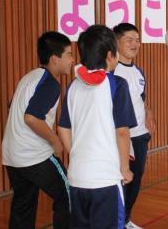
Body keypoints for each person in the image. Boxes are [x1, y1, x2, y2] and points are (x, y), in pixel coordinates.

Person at [58, 25, 136, 229]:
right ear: (111, 56)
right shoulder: (117, 84)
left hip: (77, 178)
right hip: (106, 179)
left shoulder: (73, 86)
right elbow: (122, 131)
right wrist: (125, 168)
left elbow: (63, 128)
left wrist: (74, 154)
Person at [1, 31, 73, 229]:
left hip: (12, 156)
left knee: (23, 205)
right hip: (34, 156)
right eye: (68, 54)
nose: (72, 60)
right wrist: (55, 140)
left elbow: (12, 105)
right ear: (54, 59)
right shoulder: (50, 84)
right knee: (68, 195)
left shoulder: (30, 77)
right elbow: (31, 117)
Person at [113, 23, 156, 229]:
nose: (135, 44)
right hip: (122, 137)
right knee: (121, 181)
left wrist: (148, 111)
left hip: (140, 135)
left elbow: (140, 98)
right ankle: (117, 221)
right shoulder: (112, 71)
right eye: (129, 39)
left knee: (136, 180)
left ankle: (125, 219)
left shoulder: (137, 71)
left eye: (137, 40)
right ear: (116, 42)